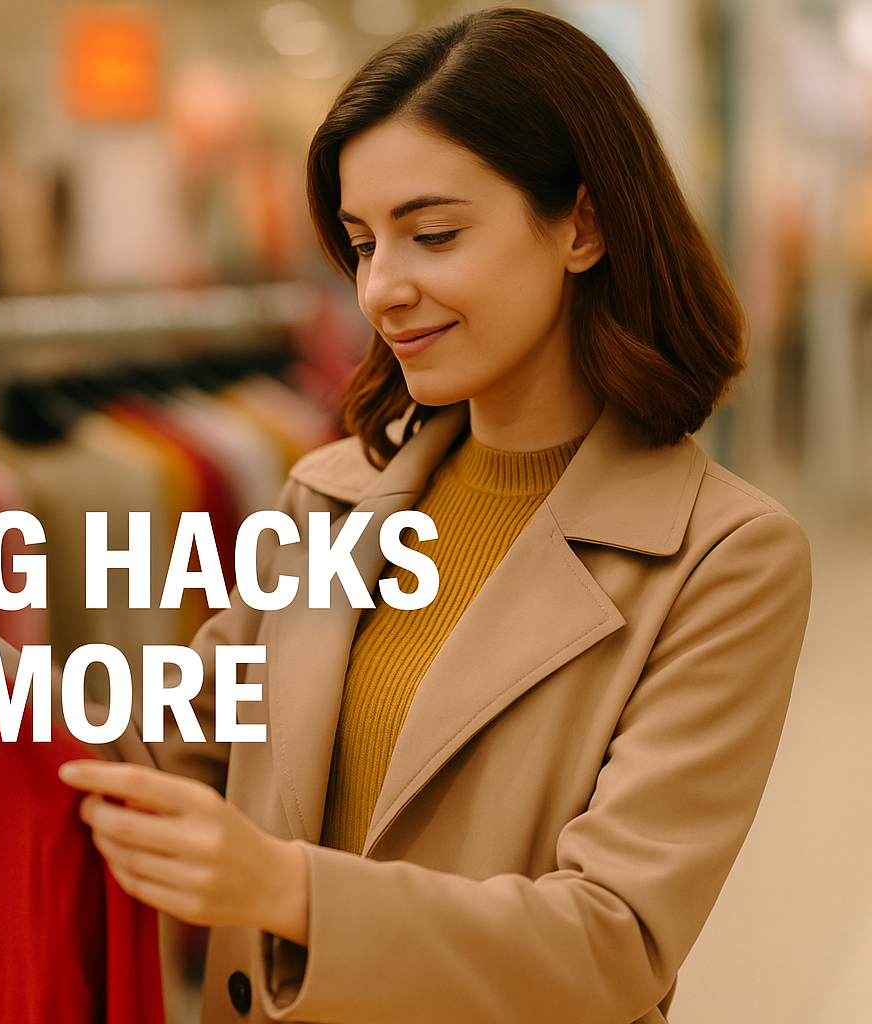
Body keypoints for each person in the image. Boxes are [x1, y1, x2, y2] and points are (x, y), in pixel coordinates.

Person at [50, 9, 814, 1024]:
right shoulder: (325, 498)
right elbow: (170, 751)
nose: (380, 289)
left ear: (582, 225)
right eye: (362, 244)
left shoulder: (725, 558)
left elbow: (614, 939)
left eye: (434, 234)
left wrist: (287, 891)